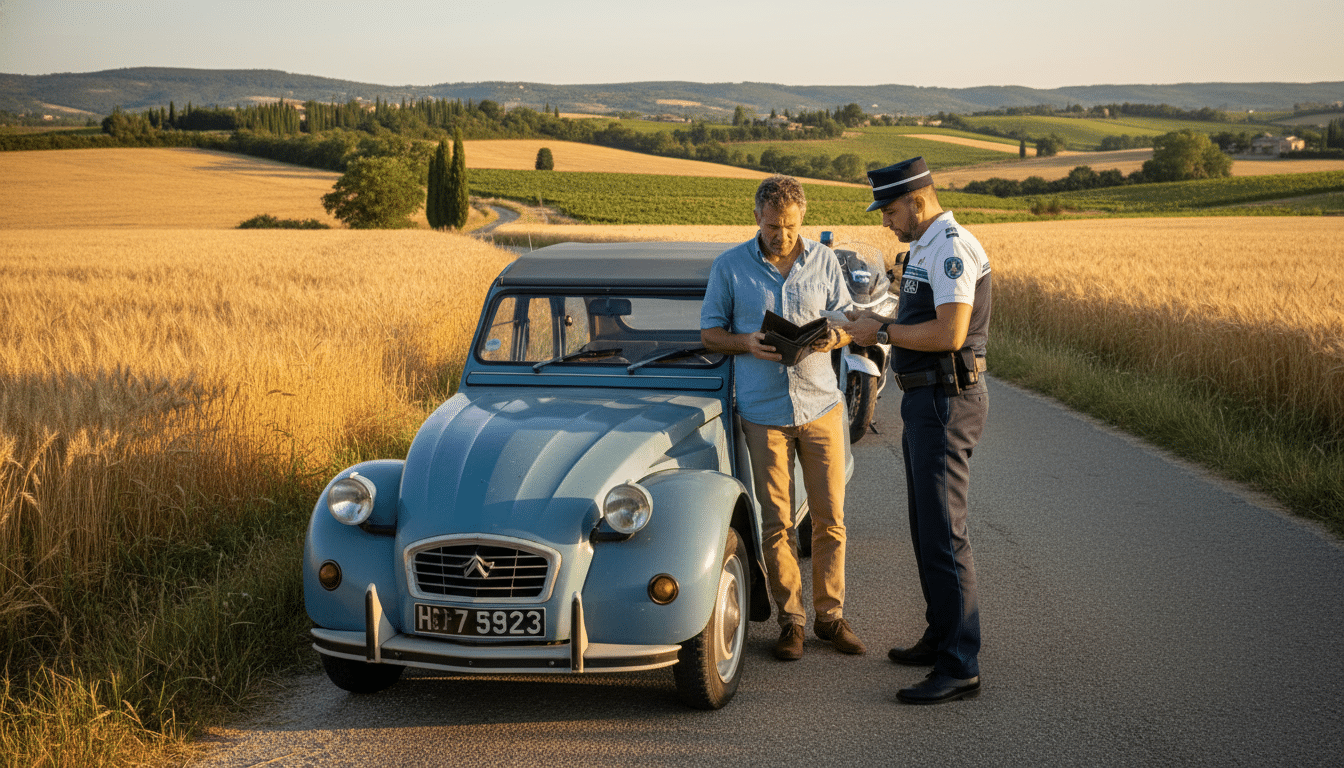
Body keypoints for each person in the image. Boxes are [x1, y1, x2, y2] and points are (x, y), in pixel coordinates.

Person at [842, 157, 991, 704]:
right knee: (926, 528)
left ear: (917, 200)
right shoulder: (927, 245)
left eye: (889, 208)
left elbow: (950, 332)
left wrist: (879, 328)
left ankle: (960, 663)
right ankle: (940, 635)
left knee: (945, 535)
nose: (885, 220)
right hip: (926, 399)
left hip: (947, 401)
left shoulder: (949, 245)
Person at [701, 175, 866, 661]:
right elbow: (711, 332)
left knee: (830, 518)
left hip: (820, 406)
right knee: (775, 522)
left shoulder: (824, 261)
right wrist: (747, 342)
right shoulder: (729, 267)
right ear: (757, 218)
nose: (783, 236)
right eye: (774, 226)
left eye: (791, 227)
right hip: (762, 412)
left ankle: (830, 619)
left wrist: (833, 338)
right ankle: (790, 621)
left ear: (802, 219)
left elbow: (847, 321)